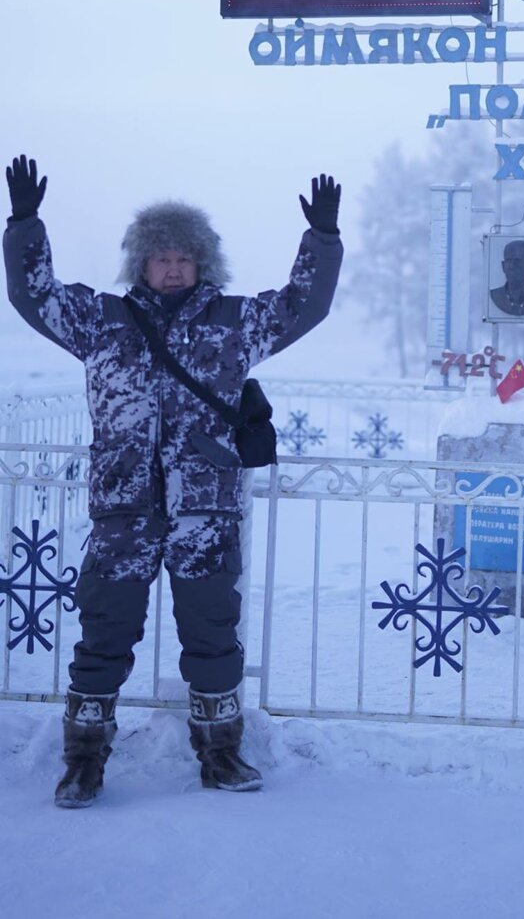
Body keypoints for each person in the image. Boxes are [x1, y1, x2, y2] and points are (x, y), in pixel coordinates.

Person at [3, 155, 343, 808]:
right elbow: (35, 296)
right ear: (141, 264)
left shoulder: (236, 323)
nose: (173, 266)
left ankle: (220, 753)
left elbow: (304, 304)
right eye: (160, 256)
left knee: (213, 636)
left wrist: (321, 241)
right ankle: (83, 761)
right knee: (104, 635)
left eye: (185, 256)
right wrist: (24, 225)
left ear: (202, 263)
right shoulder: (100, 320)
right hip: (122, 512)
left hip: (204, 513)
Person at [490, 238, 524, 317]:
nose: (512, 266)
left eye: (518, 261)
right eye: (508, 260)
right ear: (503, 266)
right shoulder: (495, 295)